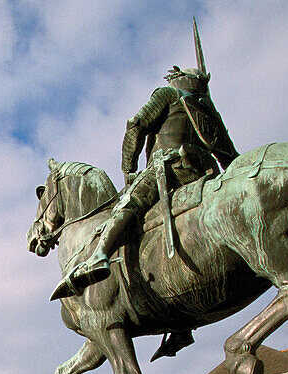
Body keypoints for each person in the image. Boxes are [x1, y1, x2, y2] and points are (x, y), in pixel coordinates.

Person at [52, 20, 238, 307]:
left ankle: (99, 255)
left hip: (170, 171)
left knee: (128, 203)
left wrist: (129, 169)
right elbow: (230, 158)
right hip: (203, 177)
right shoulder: (207, 110)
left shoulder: (167, 95)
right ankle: (180, 330)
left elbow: (136, 125)